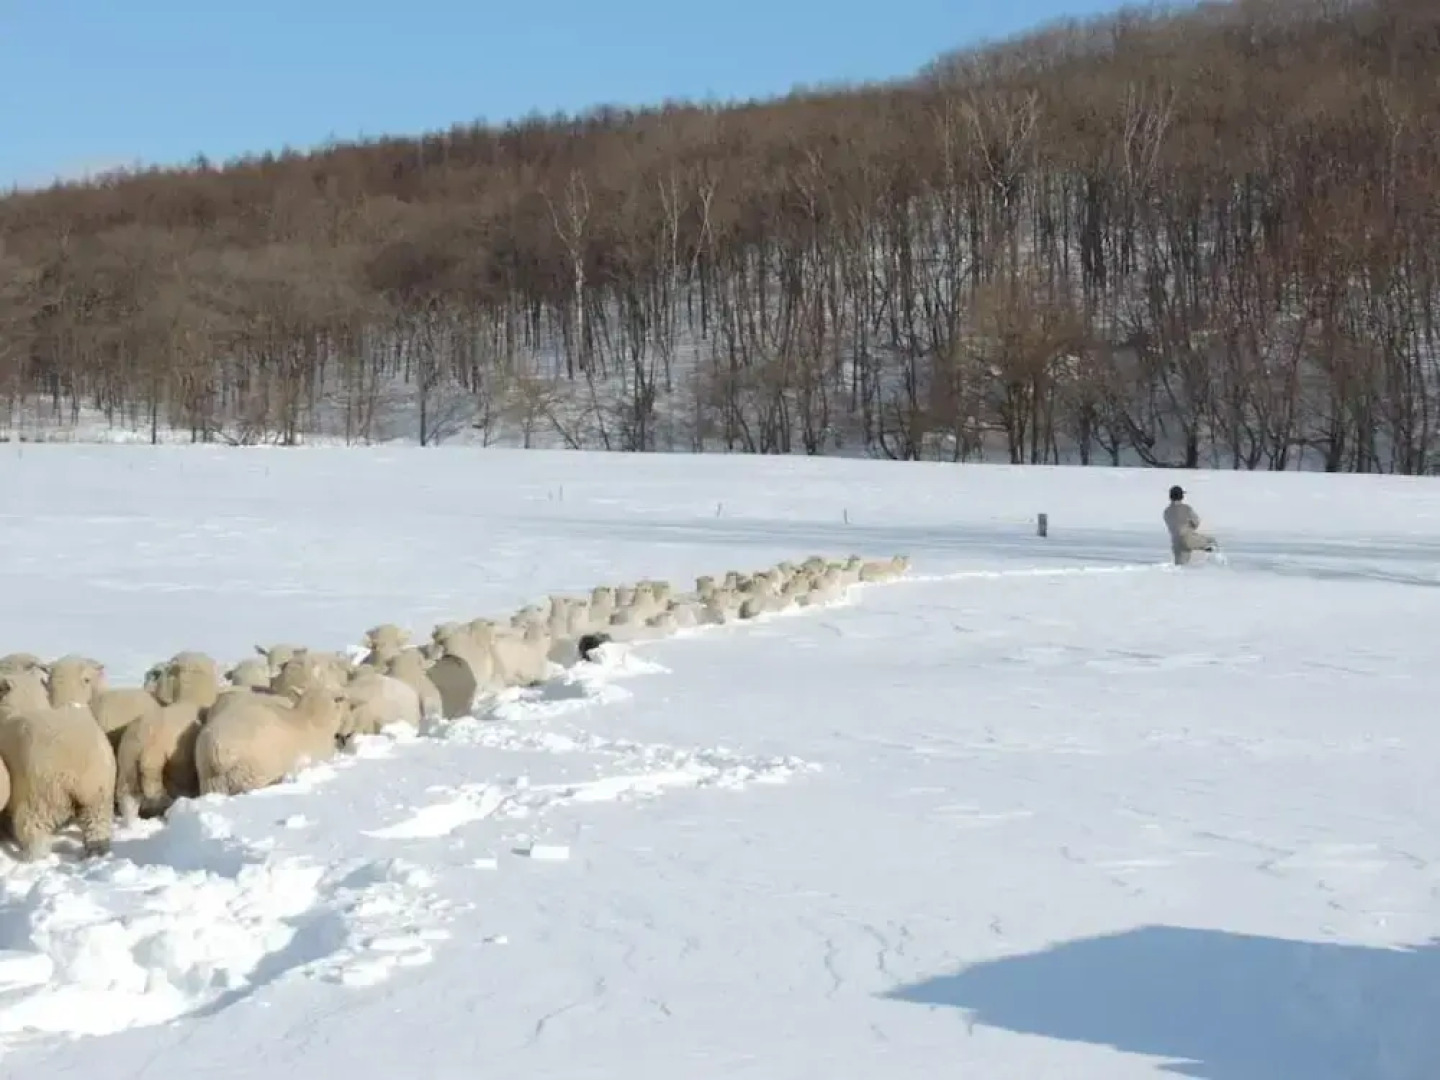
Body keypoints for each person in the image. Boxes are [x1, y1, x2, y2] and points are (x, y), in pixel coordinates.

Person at [1163, 484, 1217, 565]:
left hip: (1176, 542)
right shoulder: (1187, 509)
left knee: (1180, 566)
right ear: (1182, 496)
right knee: (1212, 542)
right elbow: (1196, 523)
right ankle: (1214, 565)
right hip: (1188, 539)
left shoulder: (1166, 511)